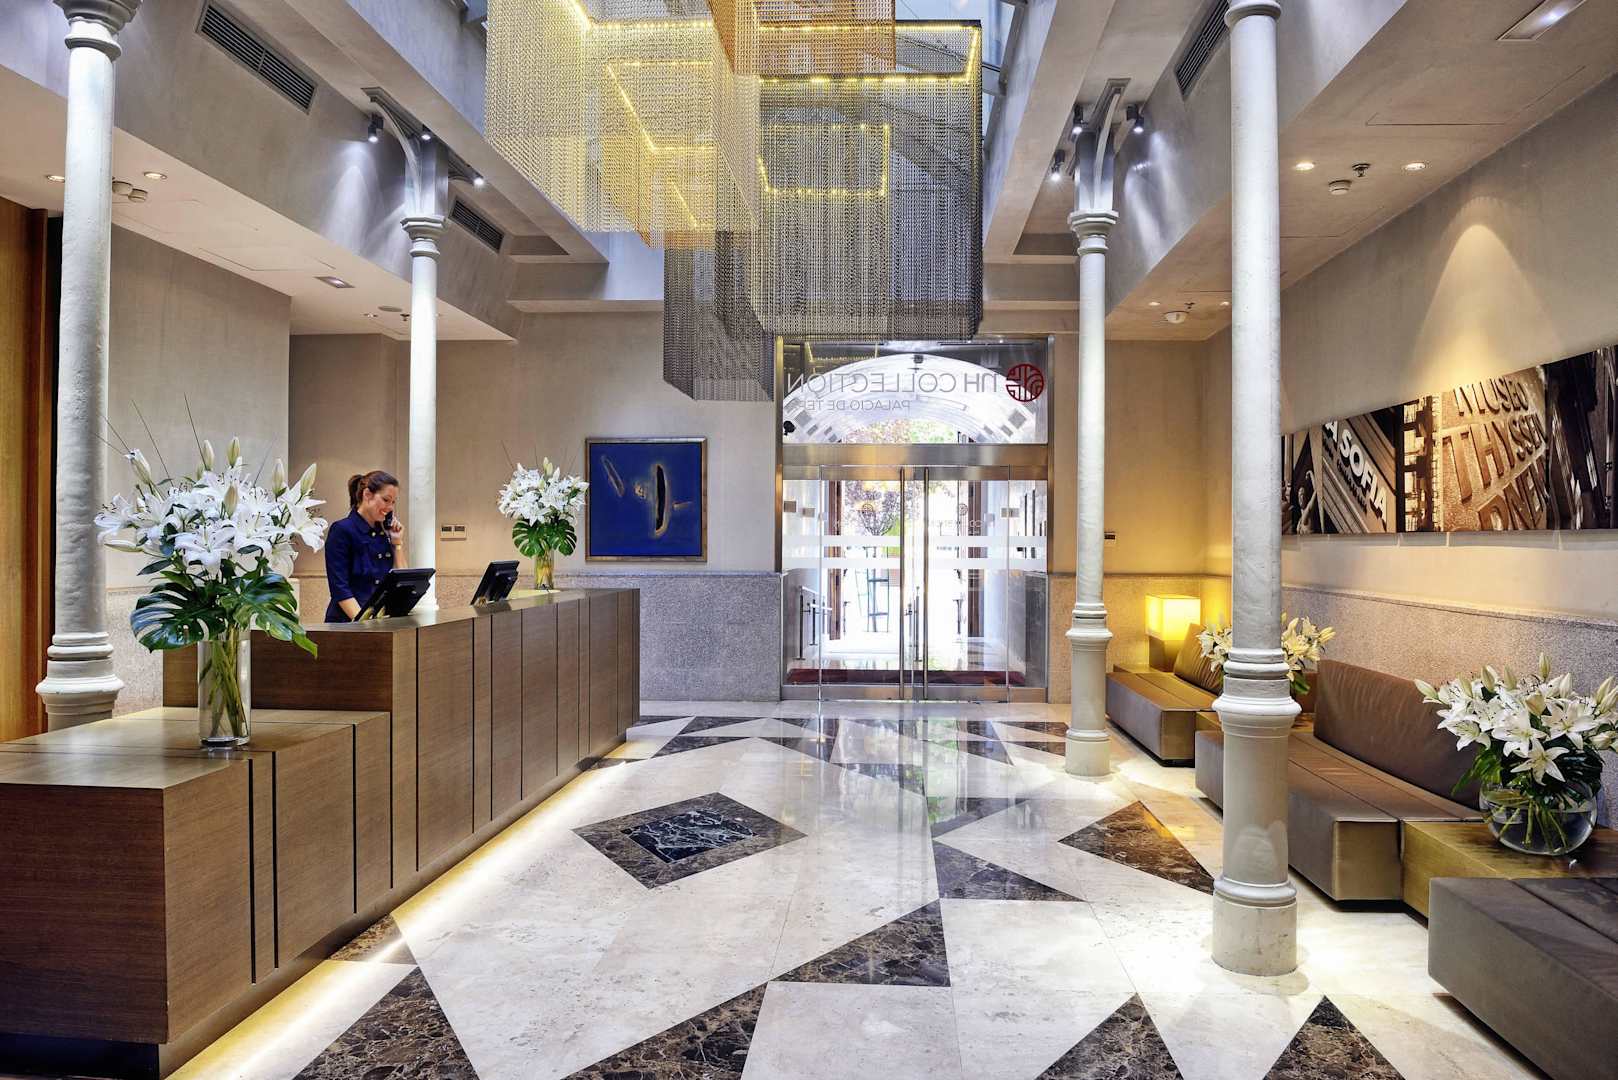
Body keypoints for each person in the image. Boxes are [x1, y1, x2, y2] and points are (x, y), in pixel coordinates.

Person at [324, 470, 406, 622]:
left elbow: (403, 580)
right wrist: (365, 623)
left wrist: (397, 543)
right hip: (349, 622)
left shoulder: (384, 533)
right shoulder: (342, 530)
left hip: (380, 621)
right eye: (386, 500)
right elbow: (340, 588)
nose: (390, 507)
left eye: (393, 502)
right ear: (367, 494)